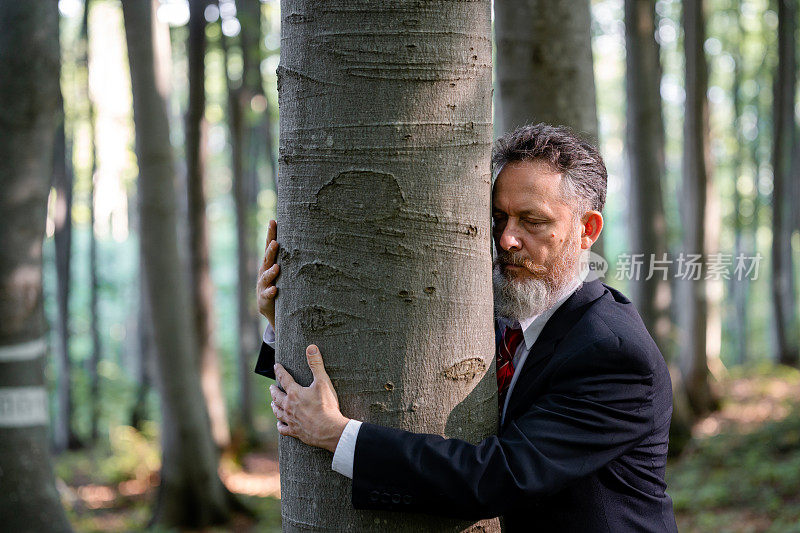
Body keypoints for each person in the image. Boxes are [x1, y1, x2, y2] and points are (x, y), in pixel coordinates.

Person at [255, 124, 678, 532]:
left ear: (587, 230)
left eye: (532, 221)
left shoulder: (613, 353)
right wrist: (284, 323)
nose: (507, 240)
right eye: (498, 218)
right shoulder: (496, 314)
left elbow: (496, 477)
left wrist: (337, 435)